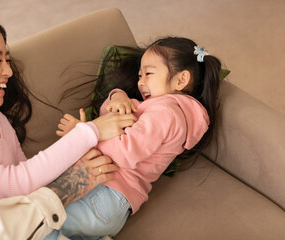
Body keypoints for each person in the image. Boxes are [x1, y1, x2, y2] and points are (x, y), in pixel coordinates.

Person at [0, 10, 137, 223]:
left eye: (7, 60)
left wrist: (79, 165)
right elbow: (15, 184)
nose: (8, 71)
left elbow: (30, 187)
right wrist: (92, 131)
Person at [52, 37, 222, 239]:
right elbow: (118, 116)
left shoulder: (166, 113)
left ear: (181, 80)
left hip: (105, 193)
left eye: (149, 73)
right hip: (110, 202)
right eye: (140, 75)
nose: (140, 82)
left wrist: (82, 135)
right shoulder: (163, 109)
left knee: (34, 225)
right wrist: (118, 97)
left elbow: (125, 152)